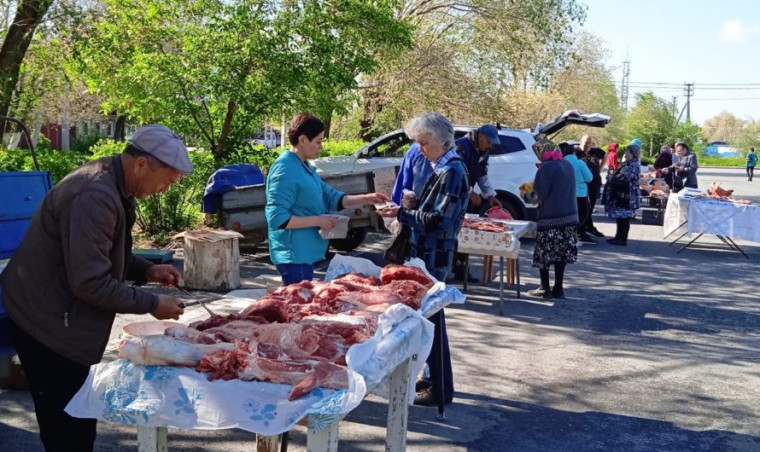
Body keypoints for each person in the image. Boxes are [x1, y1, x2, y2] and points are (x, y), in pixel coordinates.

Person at [0, 124, 191, 452]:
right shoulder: (96, 193)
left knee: (77, 423)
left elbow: (102, 251)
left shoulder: (115, 181)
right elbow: (89, 282)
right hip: (46, 325)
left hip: (60, 318)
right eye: (167, 180)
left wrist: (148, 269)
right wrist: (151, 304)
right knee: (68, 432)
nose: (165, 189)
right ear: (141, 164)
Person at [376, 112, 469, 407]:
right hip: (427, 253)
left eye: (424, 143)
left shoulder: (452, 170)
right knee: (429, 320)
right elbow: (434, 211)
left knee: (433, 322)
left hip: (435, 256)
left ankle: (441, 388)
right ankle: (433, 380)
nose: (419, 149)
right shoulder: (440, 167)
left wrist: (403, 214)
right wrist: (414, 205)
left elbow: (441, 221)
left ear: (442, 141)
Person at [265, 113, 389, 285]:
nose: (321, 147)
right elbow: (277, 218)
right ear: (302, 140)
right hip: (293, 256)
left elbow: (331, 197)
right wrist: (318, 220)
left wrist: (366, 199)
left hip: (305, 254)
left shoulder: (304, 167)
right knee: (299, 307)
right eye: (318, 141)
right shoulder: (285, 169)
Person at [527, 140, 579, 299]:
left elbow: (536, 198)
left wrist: (525, 189)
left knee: (545, 253)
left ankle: (544, 288)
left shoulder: (546, 167)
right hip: (570, 217)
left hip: (551, 218)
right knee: (561, 254)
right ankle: (558, 288)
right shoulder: (567, 164)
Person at [602, 141, 642, 246]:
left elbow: (621, 179)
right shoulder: (628, 163)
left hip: (627, 196)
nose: (625, 153)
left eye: (628, 151)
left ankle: (622, 239)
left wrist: (610, 176)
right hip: (622, 195)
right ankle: (618, 237)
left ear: (633, 153)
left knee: (624, 218)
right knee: (620, 217)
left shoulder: (633, 165)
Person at [561, 141, 594, 244]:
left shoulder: (561, 163)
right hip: (580, 194)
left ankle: (567, 234)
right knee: (582, 216)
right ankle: (580, 234)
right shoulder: (580, 163)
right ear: (574, 153)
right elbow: (589, 178)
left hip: (565, 194)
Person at [578, 134, 606, 238]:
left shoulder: (595, 151)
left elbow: (605, 156)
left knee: (591, 206)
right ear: (581, 142)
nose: (588, 146)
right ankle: (585, 228)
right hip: (582, 184)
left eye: (590, 143)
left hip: (594, 183)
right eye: (586, 143)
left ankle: (588, 227)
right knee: (584, 207)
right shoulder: (577, 152)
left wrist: (600, 169)